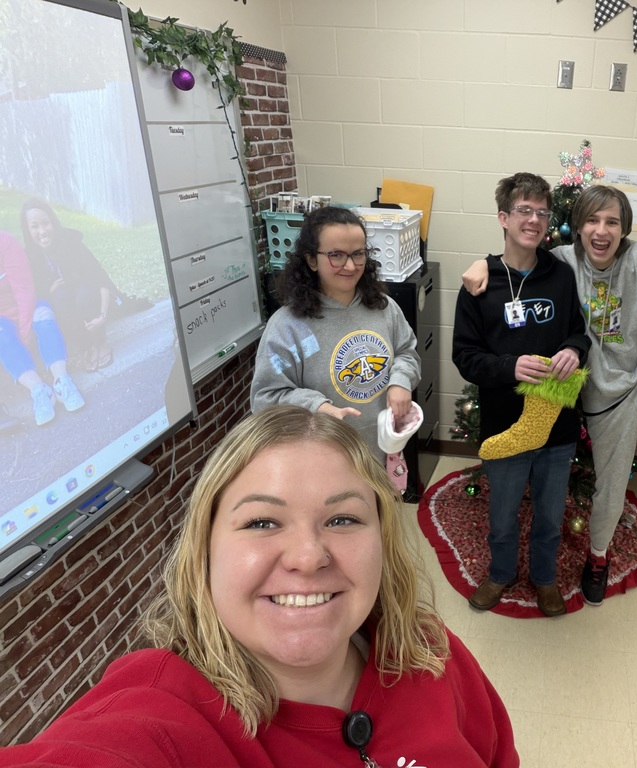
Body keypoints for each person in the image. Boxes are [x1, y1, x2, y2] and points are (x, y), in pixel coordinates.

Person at [0, 406, 519, 766]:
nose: (308, 557)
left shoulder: (430, 651)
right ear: (205, 552)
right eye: (262, 523)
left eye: (342, 519)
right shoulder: (163, 713)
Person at [464, 185, 637, 607]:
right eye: (592, 220)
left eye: (612, 221)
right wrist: (480, 266)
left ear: (624, 228)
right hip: (602, 402)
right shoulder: (561, 261)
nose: (601, 230)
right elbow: (515, 260)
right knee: (610, 492)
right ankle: (597, 557)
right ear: (576, 227)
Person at [452, 172, 591, 617]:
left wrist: (573, 348)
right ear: (504, 218)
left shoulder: (561, 275)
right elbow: (465, 356)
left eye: (542, 212)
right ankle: (501, 572)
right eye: (525, 211)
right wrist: (509, 367)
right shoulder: (479, 283)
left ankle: (545, 579)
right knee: (503, 513)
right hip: (504, 424)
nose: (534, 220)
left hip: (557, 425)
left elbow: (579, 333)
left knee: (552, 515)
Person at [251, 207, 420, 465]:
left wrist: (400, 381)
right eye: (336, 255)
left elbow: (407, 352)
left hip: (380, 453)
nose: (350, 266)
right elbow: (265, 398)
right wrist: (316, 407)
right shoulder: (287, 326)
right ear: (311, 260)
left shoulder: (384, 308)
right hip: (320, 462)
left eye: (358, 254)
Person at [20, 199, 119, 371]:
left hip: (92, 298)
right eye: (34, 226)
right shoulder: (30, 257)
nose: (42, 231)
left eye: (46, 223)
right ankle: (87, 346)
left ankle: (100, 342)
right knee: (58, 297)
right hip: (67, 310)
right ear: (27, 231)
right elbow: (34, 295)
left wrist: (103, 316)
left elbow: (100, 279)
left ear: (53, 222)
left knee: (83, 296)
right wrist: (49, 291)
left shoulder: (70, 241)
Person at [0, 231, 84, 426]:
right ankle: (39, 390)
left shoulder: (6, 243)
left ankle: (62, 381)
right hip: (2, 317)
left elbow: (24, 291)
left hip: (28, 306)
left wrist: (24, 330)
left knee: (44, 317)